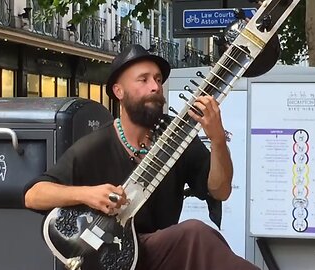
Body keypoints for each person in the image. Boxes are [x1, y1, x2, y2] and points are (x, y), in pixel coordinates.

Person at [24, 44, 259, 270]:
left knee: (194, 238)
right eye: (143, 79)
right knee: (194, 234)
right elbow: (33, 195)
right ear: (119, 91)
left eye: (158, 79)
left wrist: (217, 140)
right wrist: (87, 194)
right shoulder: (97, 145)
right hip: (113, 258)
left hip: (167, 256)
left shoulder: (175, 137)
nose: (155, 86)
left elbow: (220, 190)